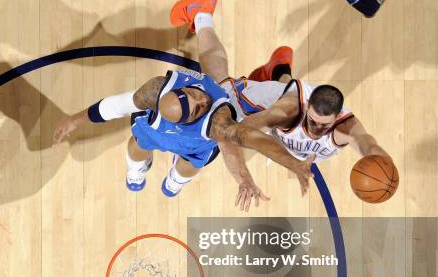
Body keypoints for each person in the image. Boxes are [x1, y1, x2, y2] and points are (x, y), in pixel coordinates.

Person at [170, 0, 392, 201]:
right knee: (219, 91)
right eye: (313, 121)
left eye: (324, 126)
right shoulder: (287, 110)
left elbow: (370, 147)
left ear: (337, 119)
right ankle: (201, 12)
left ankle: (279, 70)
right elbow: (233, 133)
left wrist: (386, 169)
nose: (316, 129)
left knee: (281, 113)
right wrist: (244, 178)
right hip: (271, 103)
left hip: (289, 111)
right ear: (307, 107)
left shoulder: (347, 129)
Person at [53, 36, 314, 204]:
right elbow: (115, 107)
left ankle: (175, 181)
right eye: (197, 106)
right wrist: (74, 121)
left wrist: (291, 163)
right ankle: (138, 171)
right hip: (158, 131)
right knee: (136, 146)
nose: (203, 100)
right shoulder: (153, 93)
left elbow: (251, 139)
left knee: (187, 169)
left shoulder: (214, 119)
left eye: (196, 97)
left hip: (194, 145)